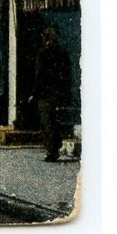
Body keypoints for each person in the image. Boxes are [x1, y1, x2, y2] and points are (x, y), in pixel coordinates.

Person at [32, 26, 74, 162]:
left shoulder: (42, 54)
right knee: (56, 122)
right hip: (60, 93)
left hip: (46, 94)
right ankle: (56, 147)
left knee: (47, 123)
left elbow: (39, 76)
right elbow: (68, 75)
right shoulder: (63, 53)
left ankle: (51, 151)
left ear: (45, 38)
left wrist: (34, 93)